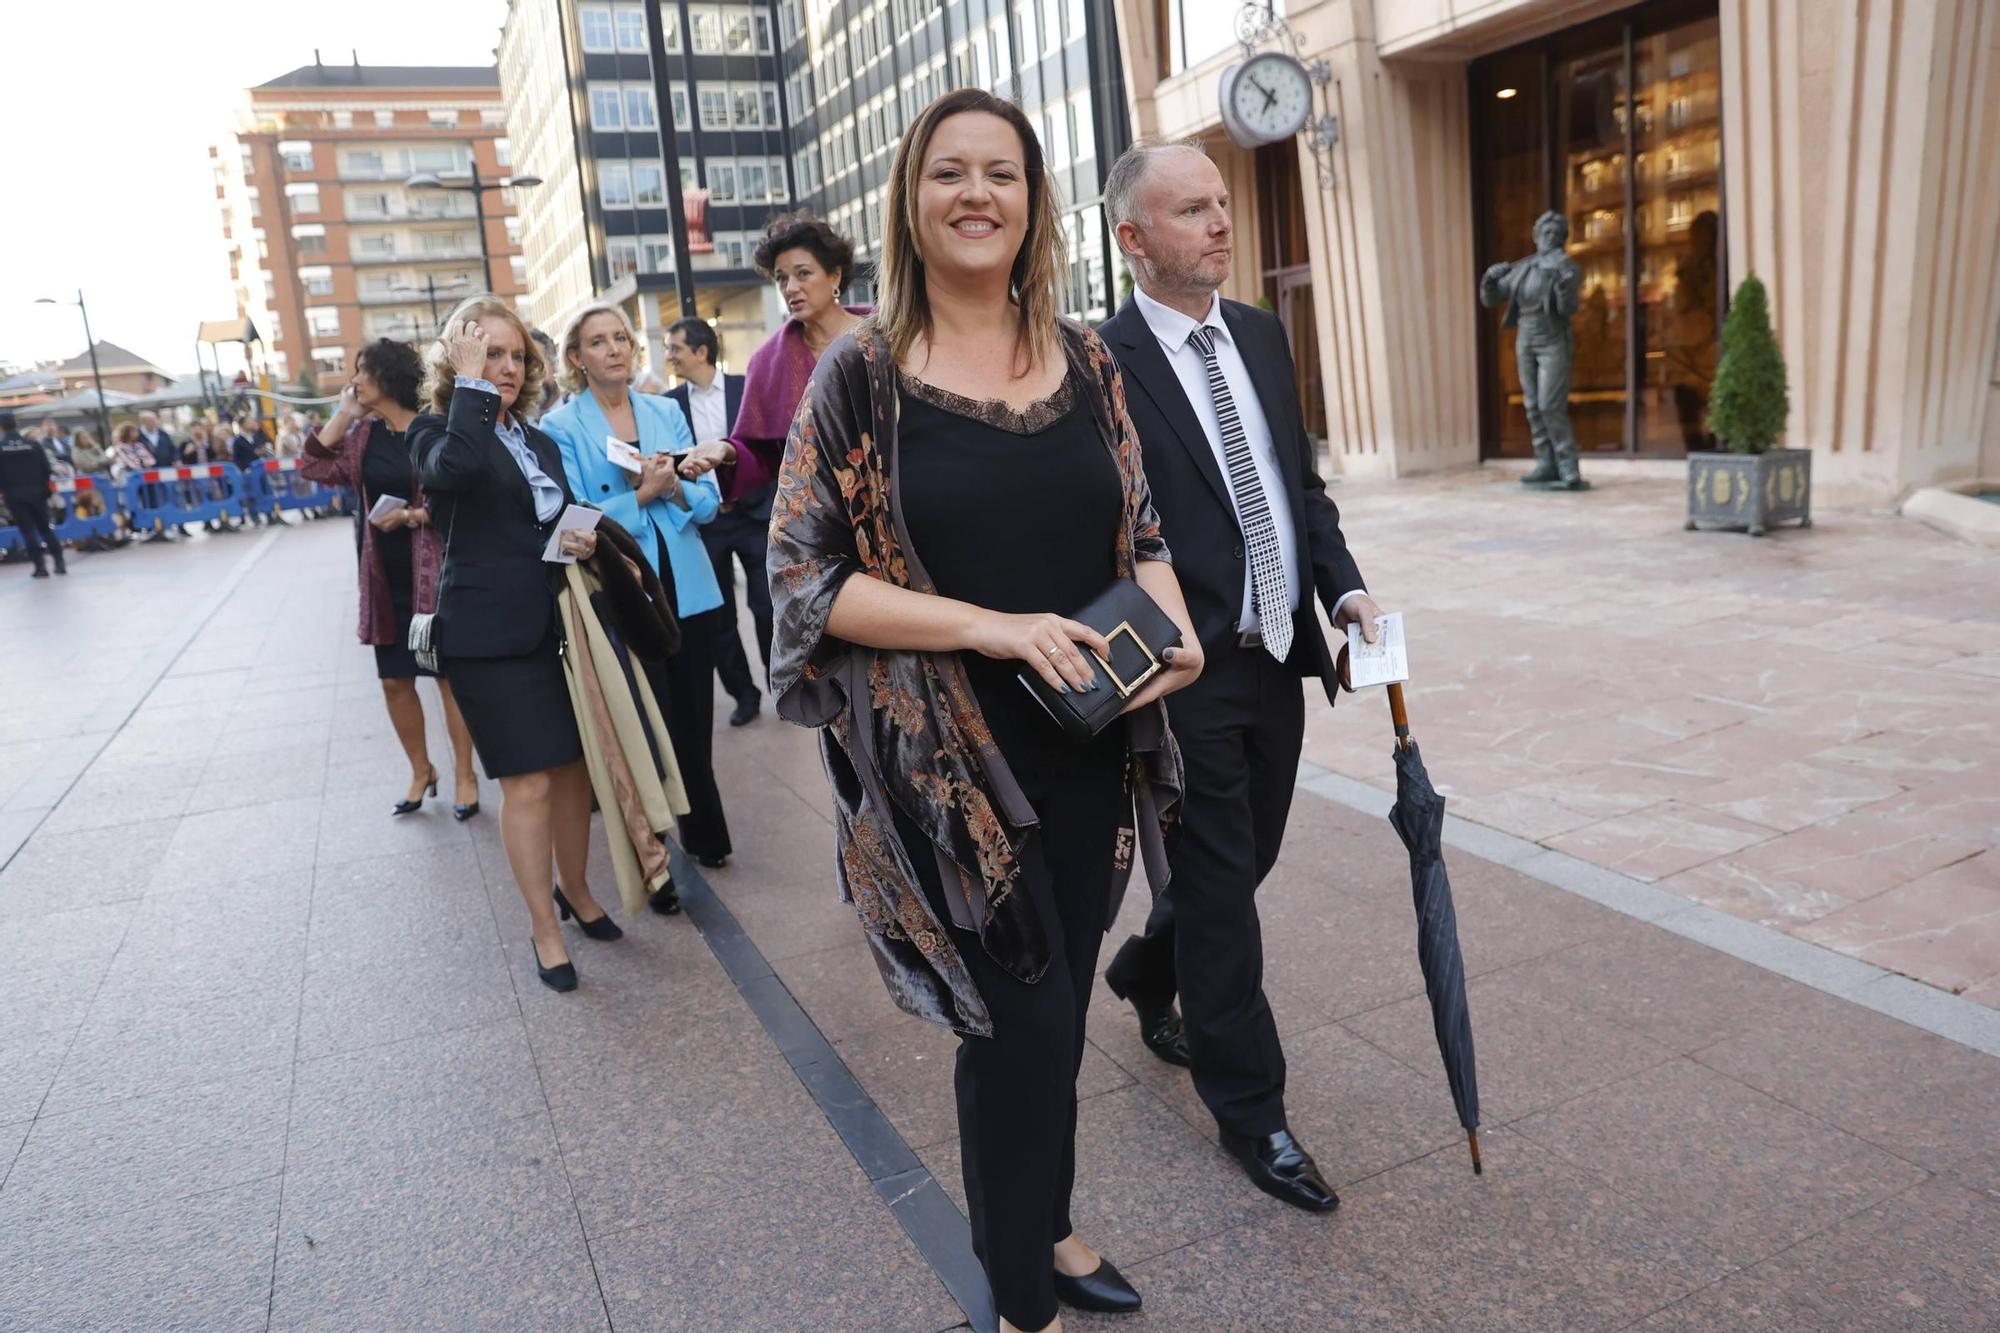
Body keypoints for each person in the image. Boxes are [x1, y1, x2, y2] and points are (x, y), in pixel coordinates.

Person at [769, 89, 1203, 1333]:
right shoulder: (856, 377)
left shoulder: (1089, 356)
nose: (975, 194)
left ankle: (1048, 1223)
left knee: (1055, 1017)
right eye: (948, 172)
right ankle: (1019, 1303)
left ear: (1033, 201)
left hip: (1089, 742)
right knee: (1013, 1026)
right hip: (946, 768)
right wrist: (986, 625)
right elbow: (802, 582)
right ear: (911, 199)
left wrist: (1163, 634)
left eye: (1000, 174)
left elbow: (1147, 529)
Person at [1096, 141, 1384, 1214]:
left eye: (1220, 204)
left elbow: (1295, 490)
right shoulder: (1099, 365)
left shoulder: (1260, 336)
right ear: (1132, 239)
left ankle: (1141, 971)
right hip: (1184, 670)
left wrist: (1342, 590)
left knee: (1245, 856)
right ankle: (1250, 1111)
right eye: (1189, 211)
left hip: (1278, 651)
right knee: (1220, 883)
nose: (1219, 224)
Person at [411, 296, 619, 992]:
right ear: (458, 359)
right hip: (485, 638)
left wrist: (577, 536)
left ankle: (578, 889)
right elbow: (457, 474)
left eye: (514, 356)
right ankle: (544, 926)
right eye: (488, 353)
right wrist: (470, 390)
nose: (505, 367)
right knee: (527, 782)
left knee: (573, 773)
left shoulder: (540, 440)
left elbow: (546, 524)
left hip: (552, 625)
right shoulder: (434, 430)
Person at [543, 305, 733, 882]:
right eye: (598, 342)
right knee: (646, 723)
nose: (615, 349)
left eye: (621, 337)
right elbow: (575, 517)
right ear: (576, 358)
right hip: (621, 587)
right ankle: (653, 855)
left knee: (695, 714)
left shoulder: (663, 409)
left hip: (686, 581)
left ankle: (706, 833)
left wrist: (673, 490)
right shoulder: (561, 427)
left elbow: (706, 502)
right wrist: (643, 495)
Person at [682, 212, 868, 716]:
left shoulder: (886, 333)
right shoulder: (770, 358)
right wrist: (723, 451)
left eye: (803, 273)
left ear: (835, 276)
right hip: (823, 531)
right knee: (844, 663)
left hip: (903, 517)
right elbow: (759, 449)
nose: (791, 287)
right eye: (782, 277)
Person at [302, 338, 481, 820]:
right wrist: (344, 413)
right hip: (384, 578)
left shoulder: (435, 426)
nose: (354, 380)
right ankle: (421, 769)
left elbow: (463, 496)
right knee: (394, 681)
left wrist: (413, 516)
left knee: (446, 677)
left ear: (387, 376)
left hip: (437, 574)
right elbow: (313, 465)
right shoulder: (362, 436)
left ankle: (466, 774)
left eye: (362, 371)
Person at [664, 319, 757, 726]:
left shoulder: (746, 387)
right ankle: (744, 694)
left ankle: (787, 686)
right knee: (721, 620)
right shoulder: (669, 404)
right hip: (707, 523)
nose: (670, 355)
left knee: (770, 607)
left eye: (675, 348)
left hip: (754, 515)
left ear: (701, 351)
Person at [1, 411, 63, 577]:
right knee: (45, 529)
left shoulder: (1, 447)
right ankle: (59, 563)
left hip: (14, 494)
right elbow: (46, 468)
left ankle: (40, 567)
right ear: (16, 424)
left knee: (28, 531)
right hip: (37, 492)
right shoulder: (33, 444)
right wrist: (43, 487)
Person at [231, 415, 279, 525]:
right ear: (243, 425)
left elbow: (266, 449)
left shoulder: (257, 437)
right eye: (249, 422)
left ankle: (269, 514)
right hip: (248, 472)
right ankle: (255, 517)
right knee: (251, 495)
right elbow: (236, 459)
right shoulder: (238, 441)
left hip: (261, 472)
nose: (252, 424)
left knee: (266, 491)